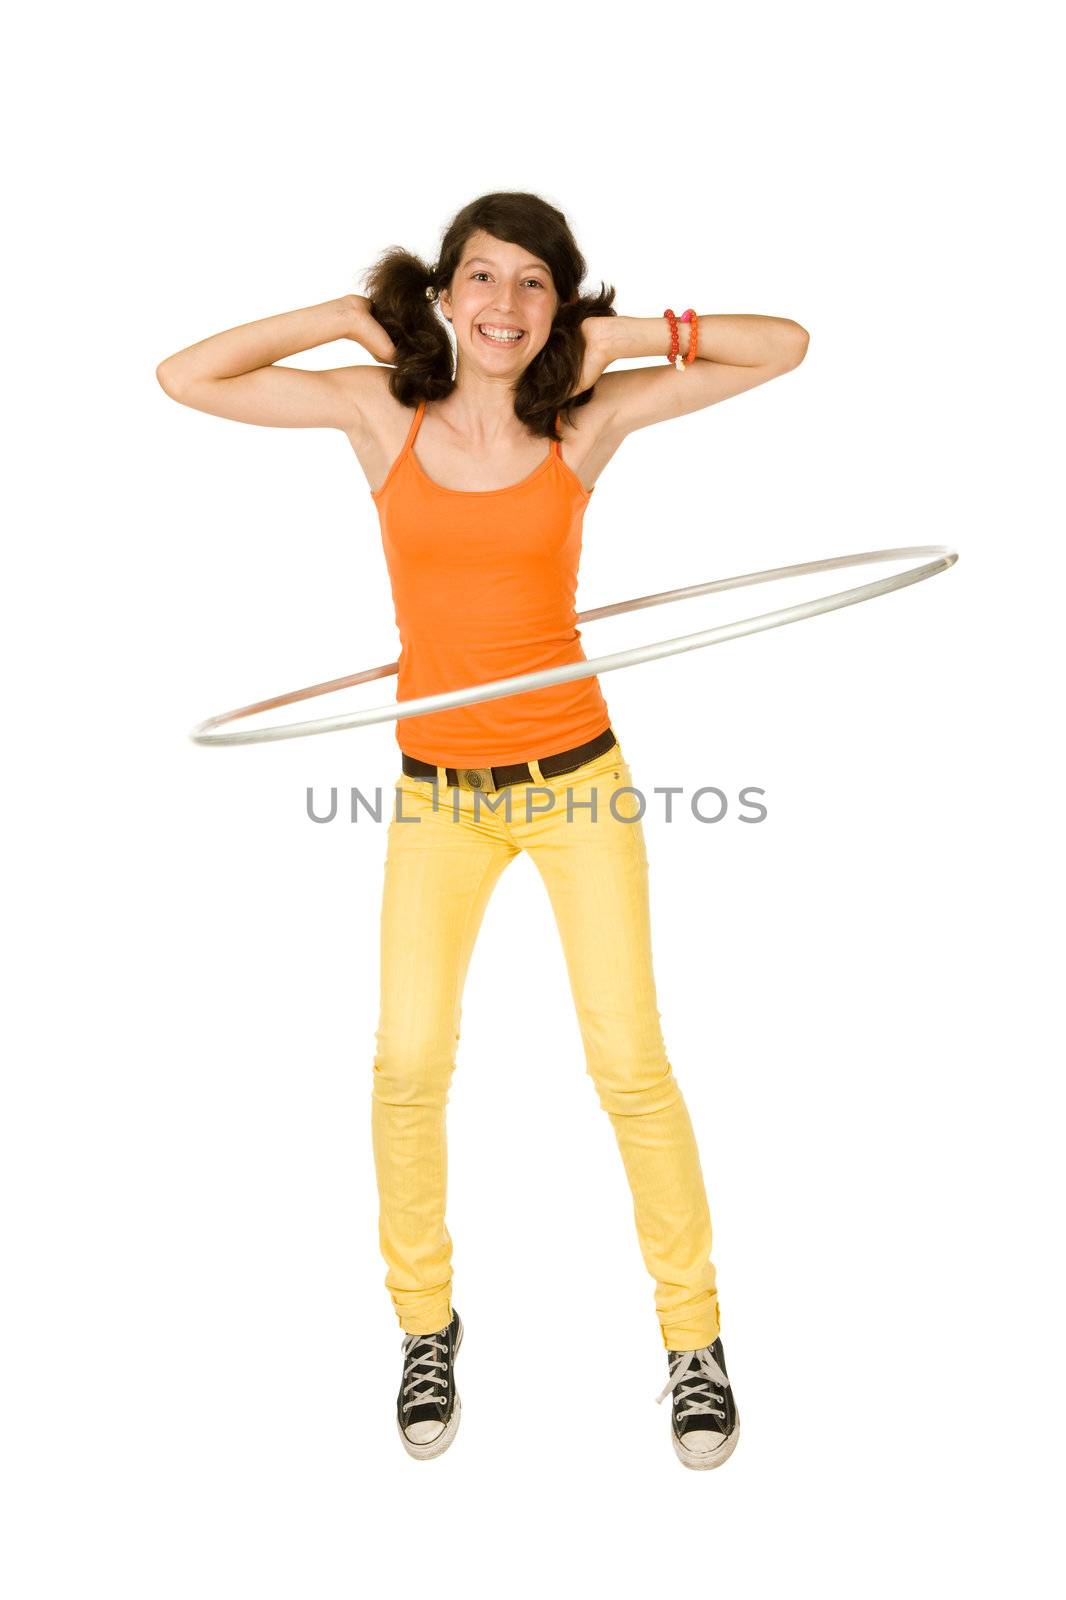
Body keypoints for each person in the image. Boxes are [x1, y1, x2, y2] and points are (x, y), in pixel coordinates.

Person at [156, 190, 809, 1470]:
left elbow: (782, 345)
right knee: (406, 1063)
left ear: (556, 303)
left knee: (628, 1062)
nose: (504, 305)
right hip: (436, 794)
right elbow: (184, 376)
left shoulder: (587, 419)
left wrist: (629, 340)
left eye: (531, 284)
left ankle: (693, 1338)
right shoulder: (375, 412)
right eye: (480, 278)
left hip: (577, 784)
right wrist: (351, 317)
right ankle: (425, 1325)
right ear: (445, 295)